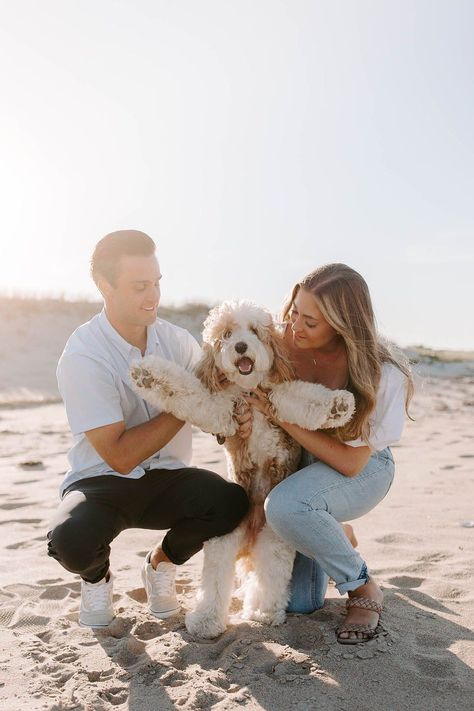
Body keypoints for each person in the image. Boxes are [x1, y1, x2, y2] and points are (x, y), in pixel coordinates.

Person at [47, 230, 248, 628]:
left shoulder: (177, 341)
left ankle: (160, 563)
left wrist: (230, 422)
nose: (153, 296)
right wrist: (186, 403)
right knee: (70, 542)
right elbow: (120, 457)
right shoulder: (84, 355)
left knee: (231, 503)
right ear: (105, 286)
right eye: (140, 286)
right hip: (101, 482)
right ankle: (96, 578)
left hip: (168, 478)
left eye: (157, 283)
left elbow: (217, 400)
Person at [244, 263, 413, 644]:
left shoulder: (380, 373)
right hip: (301, 466)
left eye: (311, 322)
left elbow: (350, 464)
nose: (295, 327)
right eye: (293, 313)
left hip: (362, 468)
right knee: (300, 603)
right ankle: (333, 534)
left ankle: (362, 587)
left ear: (342, 325)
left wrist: (281, 416)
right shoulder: (279, 344)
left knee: (286, 507)